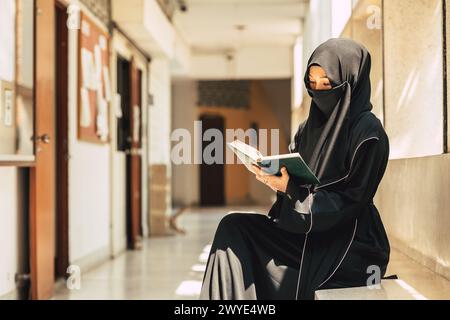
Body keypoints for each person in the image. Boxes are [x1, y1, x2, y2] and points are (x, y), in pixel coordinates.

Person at [199, 38, 391, 300]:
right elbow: (298, 185)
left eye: (327, 83)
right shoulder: (306, 130)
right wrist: (278, 181)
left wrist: (291, 189)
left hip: (348, 241)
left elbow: (351, 201)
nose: (319, 91)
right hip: (305, 228)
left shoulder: (368, 133)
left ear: (351, 81)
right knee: (234, 227)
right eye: (312, 84)